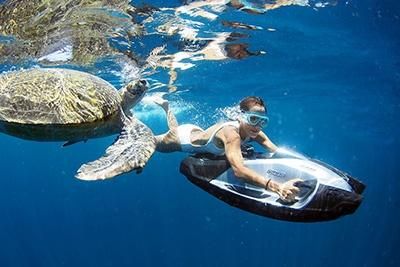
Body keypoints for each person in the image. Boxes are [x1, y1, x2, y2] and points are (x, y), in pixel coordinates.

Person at [154, 95, 300, 202]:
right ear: (240, 117)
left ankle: (167, 108)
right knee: (152, 143)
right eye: (253, 119)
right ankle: (131, 121)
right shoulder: (232, 135)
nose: (257, 126)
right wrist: (277, 187)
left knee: (174, 127)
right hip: (180, 139)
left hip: (194, 130)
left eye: (263, 121)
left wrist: (302, 164)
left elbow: (275, 150)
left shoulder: (254, 132)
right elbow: (239, 171)